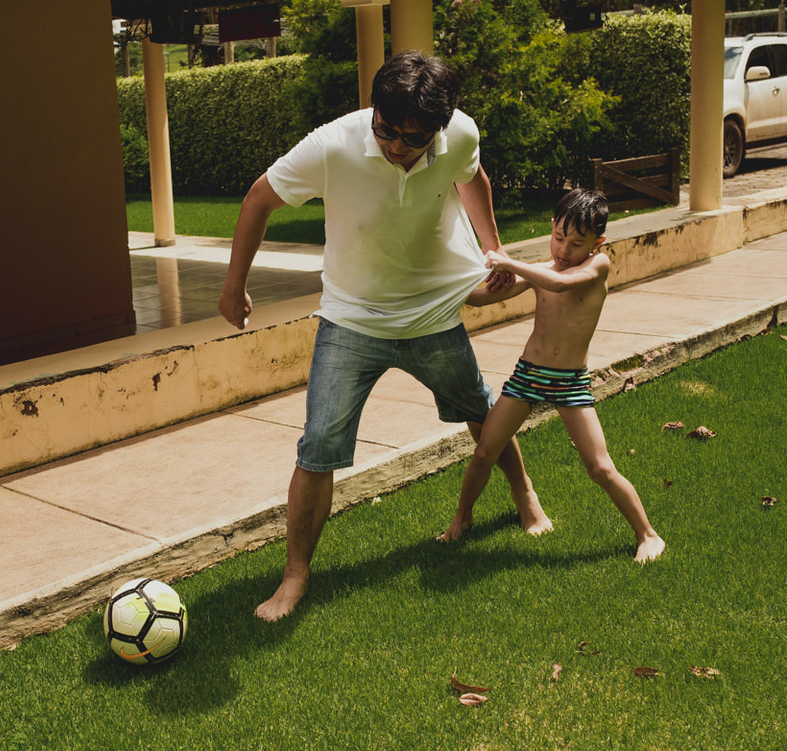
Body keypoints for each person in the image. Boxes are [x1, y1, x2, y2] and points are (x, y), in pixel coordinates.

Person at [219, 51, 551, 622]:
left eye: (413, 137)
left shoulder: (461, 135)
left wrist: (492, 248)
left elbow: (473, 177)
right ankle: (295, 577)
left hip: (432, 312)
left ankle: (524, 494)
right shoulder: (332, 146)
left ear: (440, 128)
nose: (397, 145)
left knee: (481, 410)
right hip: (352, 319)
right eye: (387, 130)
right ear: (374, 111)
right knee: (318, 446)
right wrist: (233, 286)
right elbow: (257, 199)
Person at [440, 188, 666, 563]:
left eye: (577, 243)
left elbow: (561, 283)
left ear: (598, 243)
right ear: (551, 229)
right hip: (529, 375)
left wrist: (510, 263)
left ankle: (648, 534)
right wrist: (456, 277)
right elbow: (480, 299)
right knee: (484, 452)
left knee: (600, 467)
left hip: (571, 382)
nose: (563, 251)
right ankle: (462, 518)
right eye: (558, 238)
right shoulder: (543, 270)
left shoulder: (597, 267)